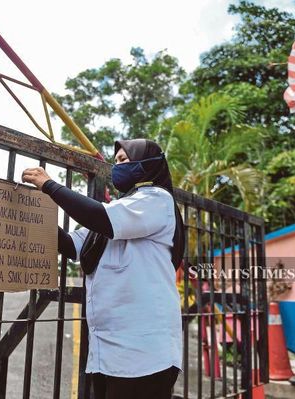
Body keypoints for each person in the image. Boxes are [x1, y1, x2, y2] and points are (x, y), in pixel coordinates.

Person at [21, 139, 184, 399]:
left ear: (147, 165)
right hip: (107, 351)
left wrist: (50, 186)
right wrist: (32, 216)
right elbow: (72, 245)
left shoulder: (156, 200)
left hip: (145, 351)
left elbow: (101, 218)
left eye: (123, 160)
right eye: (115, 160)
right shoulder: (118, 210)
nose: (116, 166)